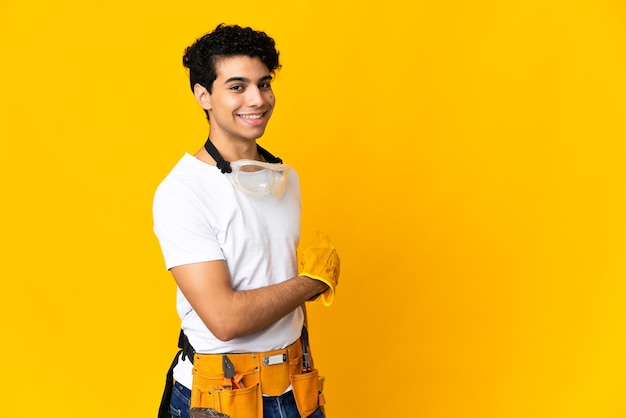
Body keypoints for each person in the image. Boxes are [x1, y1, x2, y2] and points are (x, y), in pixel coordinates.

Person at [153, 24, 340, 418]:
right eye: (237, 86)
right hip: (223, 395)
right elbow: (225, 319)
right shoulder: (183, 191)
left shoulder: (285, 180)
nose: (257, 99)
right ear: (203, 95)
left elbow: (278, 285)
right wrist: (313, 281)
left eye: (264, 83)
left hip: (294, 380)